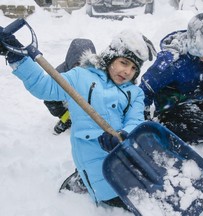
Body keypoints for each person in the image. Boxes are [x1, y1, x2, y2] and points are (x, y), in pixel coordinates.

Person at [0, 29, 156, 210]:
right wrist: (17, 56)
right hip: (93, 160)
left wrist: (123, 135)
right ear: (110, 57)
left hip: (124, 154)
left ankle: (83, 179)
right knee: (115, 196)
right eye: (124, 62)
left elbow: (135, 120)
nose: (128, 71)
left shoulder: (134, 93)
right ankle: (86, 180)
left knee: (145, 188)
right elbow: (44, 87)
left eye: (134, 68)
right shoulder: (80, 76)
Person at [139, 12, 203, 146]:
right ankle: (162, 125)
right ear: (195, 44)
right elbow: (147, 86)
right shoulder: (173, 61)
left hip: (197, 98)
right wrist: (144, 119)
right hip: (171, 103)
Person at [44, 38, 96, 135]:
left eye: (85, 65)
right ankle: (66, 120)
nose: (80, 70)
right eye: (77, 65)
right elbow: (49, 100)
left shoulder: (96, 73)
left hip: (88, 100)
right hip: (68, 101)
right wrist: (62, 114)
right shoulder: (59, 75)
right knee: (69, 113)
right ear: (70, 60)